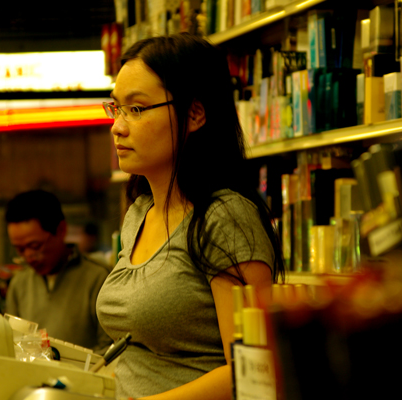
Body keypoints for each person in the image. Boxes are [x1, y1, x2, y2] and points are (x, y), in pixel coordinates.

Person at [96, 33, 285, 399]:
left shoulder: (224, 217)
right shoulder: (139, 213)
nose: (118, 126)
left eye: (136, 109)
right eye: (116, 108)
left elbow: (254, 369)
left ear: (195, 114)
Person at [4, 190, 113, 353]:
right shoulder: (19, 284)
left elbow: (110, 349)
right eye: (20, 249)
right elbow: (13, 345)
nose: (28, 256)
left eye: (35, 246)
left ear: (61, 230)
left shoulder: (98, 277)